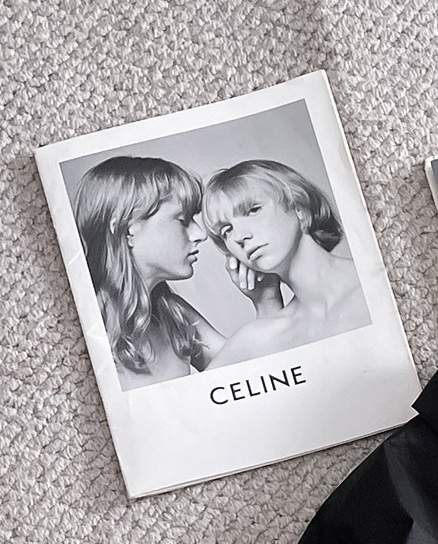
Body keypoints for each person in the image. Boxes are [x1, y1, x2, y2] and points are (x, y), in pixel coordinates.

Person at [73, 155, 275, 391]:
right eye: (183, 220)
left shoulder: (174, 315)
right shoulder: (84, 324)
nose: (200, 234)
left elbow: (255, 375)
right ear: (128, 229)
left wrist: (266, 301)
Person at [202, 159, 368, 364]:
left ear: (299, 208)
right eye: (227, 230)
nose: (239, 236)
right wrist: (266, 303)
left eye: (253, 210)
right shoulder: (255, 337)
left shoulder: (380, 281)